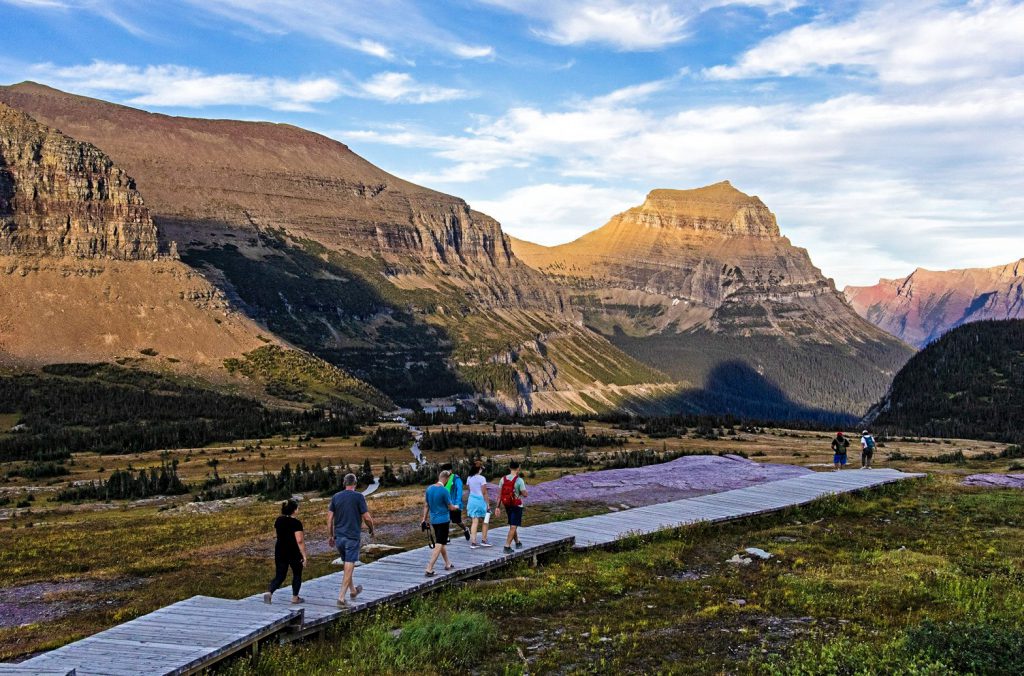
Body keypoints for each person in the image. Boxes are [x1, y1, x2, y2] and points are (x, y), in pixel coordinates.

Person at [328, 473, 374, 607]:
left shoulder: (336, 497)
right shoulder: (359, 497)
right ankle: (341, 598)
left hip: (339, 537)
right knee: (350, 564)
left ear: (344, 483)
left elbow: (329, 518)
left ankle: (353, 591)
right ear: (355, 484)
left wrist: (330, 535)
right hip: (352, 536)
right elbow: (366, 517)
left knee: (347, 564)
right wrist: (371, 528)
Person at [263, 499, 307, 605]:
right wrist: (304, 555)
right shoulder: (296, 523)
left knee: (280, 575)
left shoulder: (279, 520)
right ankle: (295, 598)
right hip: (293, 551)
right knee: (297, 573)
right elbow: (299, 540)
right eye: (297, 508)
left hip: (280, 550)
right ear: (294, 510)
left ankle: (270, 592)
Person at [422, 470, 460, 576]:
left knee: (441, 540)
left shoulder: (429, 489)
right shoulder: (444, 491)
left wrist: (424, 519)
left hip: (434, 520)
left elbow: (426, 505)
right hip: (443, 520)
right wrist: (456, 507)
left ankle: (448, 563)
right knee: (439, 543)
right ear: (446, 479)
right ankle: (429, 568)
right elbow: (450, 507)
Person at [494, 460, 527, 555]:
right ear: (518, 468)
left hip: (507, 504)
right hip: (517, 505)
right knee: (513, 526)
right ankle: (507, 546)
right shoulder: (519, 480)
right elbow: (525, 494)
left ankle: (517, 542)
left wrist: (497, 507)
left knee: (513, 524)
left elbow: (499, 495)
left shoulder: (503, 479)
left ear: (509, 468)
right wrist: (523, 492)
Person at [465, 464, 493, 548]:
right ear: (479, 469)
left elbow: (470, 490)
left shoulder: (469, 478)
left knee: (474, 521)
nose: (482, 470)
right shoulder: (482, 478)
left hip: (472, 500)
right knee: (485, 520)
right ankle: (484, 540)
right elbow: (484, 492)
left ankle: (473, 542)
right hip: (480, 501)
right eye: (481, 468)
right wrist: (488, 504)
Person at [445, 467, 471, 541]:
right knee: (446, 520)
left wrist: (457, 504)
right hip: (446, 504)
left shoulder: (457, 479)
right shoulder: (444, 479)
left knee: (457, 521)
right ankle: (446, 537)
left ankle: (465, 529)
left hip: (455, 504)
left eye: (447, 470)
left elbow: (459, 492)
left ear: (451, 470)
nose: (446, 472)